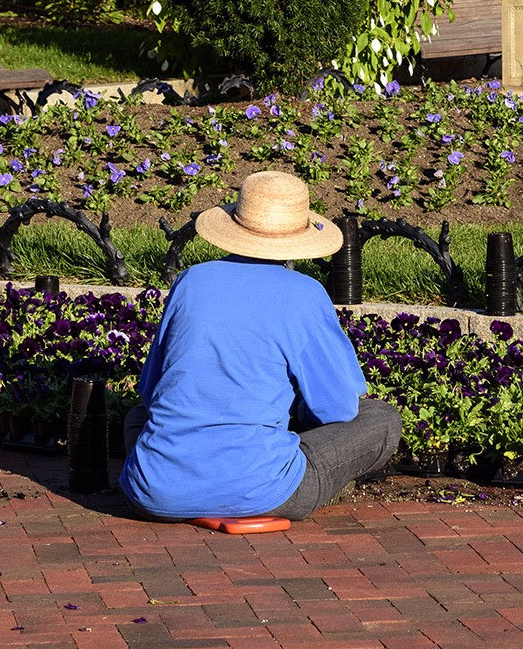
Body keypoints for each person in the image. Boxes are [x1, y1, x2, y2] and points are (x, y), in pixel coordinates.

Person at [121, 170, 401, 522]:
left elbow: (151, 392)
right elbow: (337, 410)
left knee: (136, 417)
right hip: (266, 492)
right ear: (298, 239)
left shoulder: (190, 281)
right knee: (382, 419)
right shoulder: (304, 293)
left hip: (153, 492)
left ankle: (182, 484)